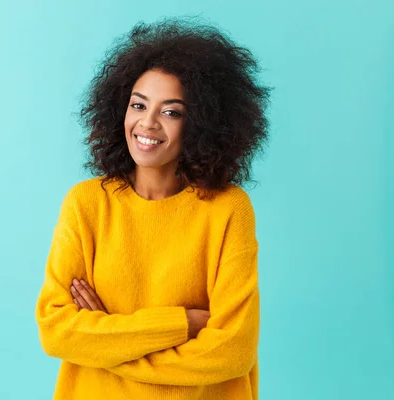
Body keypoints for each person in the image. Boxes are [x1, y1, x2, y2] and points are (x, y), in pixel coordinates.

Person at [35, 17, 270, 400]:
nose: (148, 123)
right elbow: (56, 330)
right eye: (138, 105)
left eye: (171, 112)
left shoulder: (228, 209)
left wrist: (105, 343)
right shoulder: (86, 203)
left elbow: (233, 352)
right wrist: (182, 324)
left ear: (203, 123)